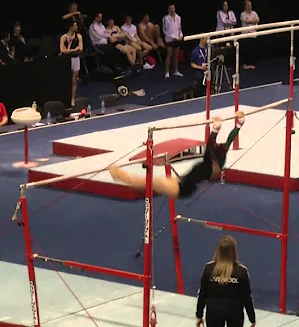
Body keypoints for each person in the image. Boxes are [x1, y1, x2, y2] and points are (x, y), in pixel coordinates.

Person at [109, 113, 245, 199]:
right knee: (152, 183)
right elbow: (229, 139)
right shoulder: (215, 159)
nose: (220, 144)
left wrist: (216, 128)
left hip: (182, 189)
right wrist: (239, 124)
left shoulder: (212, 161)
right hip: (181, 183)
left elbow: (211, 143)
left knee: (151, 183)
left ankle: (120, 176)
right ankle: (120, 176)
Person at [195, 235, 256, 327]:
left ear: (218, 251)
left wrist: (199, 315)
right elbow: (246, 297)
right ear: (234, 251)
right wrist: (252, 317)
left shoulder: (209, 269)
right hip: (234, 313)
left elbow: (202, 293)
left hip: (214, 312)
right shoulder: (241, 271)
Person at [59, 21, 83, 107]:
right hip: (66, 60)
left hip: (76, 59)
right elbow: (62, 50)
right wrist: (73, 50)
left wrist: (69, 51)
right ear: (70, 27)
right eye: (75, 26)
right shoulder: (63, 38)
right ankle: (65, 98)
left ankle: (73, 98)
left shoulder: (79, 36)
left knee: (74, 81)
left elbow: (80, 49)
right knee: (66, 80)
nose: (77, 27)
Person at [163, 4, 184, 78]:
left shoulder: (178, 18)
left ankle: (176, 71)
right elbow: (165, 30)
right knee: (169, 55)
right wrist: (173, 37)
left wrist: (181, 35)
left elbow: (179, 28)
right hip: (169, 39)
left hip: (177, 38)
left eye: (173, 8)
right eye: (170, 8)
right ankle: (167, 72)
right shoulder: (166, 18)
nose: (172, 9)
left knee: (176, 56)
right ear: (168, 9)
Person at [240, 0, 259, 69]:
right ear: (245, 6)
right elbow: (247, 21)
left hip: (253, 34)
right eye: (248, 5)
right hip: (246, 35)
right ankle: (245, 64)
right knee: (246, 50)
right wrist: (253, 21)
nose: (250, 7)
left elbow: (257, 20)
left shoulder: (254, 13)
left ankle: (251, 63)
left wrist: (251, 20)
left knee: (252, 50)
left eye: (250, 5)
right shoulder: (242, 14)